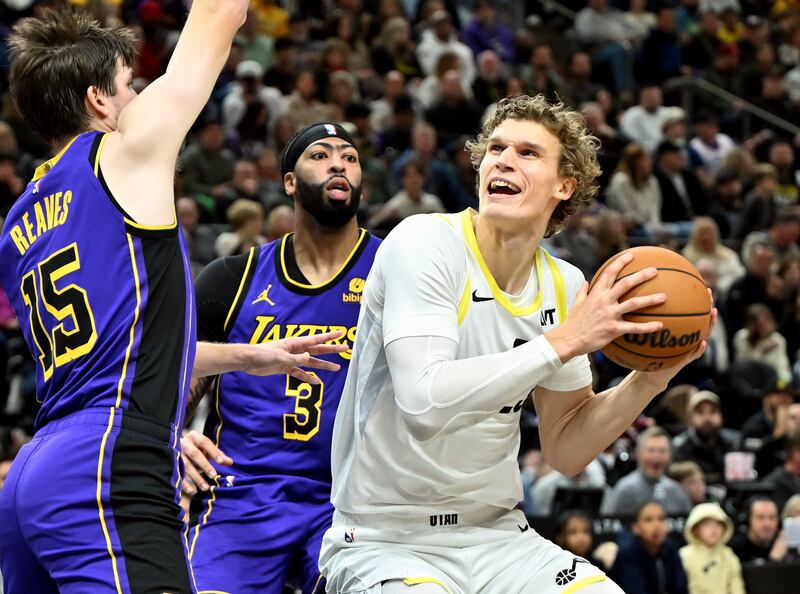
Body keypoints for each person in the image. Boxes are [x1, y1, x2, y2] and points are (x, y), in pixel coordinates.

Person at [0, 9, 342, 594]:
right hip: (107, 464)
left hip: (35, 473)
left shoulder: (15, 224)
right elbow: (217, 13)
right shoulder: (121, 153)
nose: (139, 97)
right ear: (100, 102)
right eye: (131, 85)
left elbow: (120, 344)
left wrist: (250, 358)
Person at [319, 94, 712, 593]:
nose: (503, 159)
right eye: (496, 148)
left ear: (564, 185)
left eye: (528, 153)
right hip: (387, 539)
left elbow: (566, 449)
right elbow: (423, 404)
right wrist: (563, 341)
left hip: (499, 536)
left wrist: (648, 380)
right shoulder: (424, 243)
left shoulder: (565, 285)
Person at [181, 122, 381, 594]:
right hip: (240, 493)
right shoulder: (232, 278)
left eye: (349, 158)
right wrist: (172, 435)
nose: (338, 163)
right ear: (288, 181)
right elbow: (172, 370)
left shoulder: (396, 269)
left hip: (350, 500)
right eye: (321, 155)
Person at [602, 426, 693, 516]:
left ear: (670, 455)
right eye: (651, 450)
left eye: (662, 451)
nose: (656, 457)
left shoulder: (677, 491)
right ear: (638, 454)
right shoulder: (625, 490)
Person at [609, 501, 689, 594]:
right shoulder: (628, 553)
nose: (657, 525)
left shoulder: (671, 548)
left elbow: (681, 587)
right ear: (636, 528)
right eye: (648, 520)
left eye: (661, 519)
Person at [680, 503, 745, 594]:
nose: (713, 529)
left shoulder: (729, 556)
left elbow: (737, 587)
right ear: (695, 529)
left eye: (718, 524)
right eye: (707, 524)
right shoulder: (684, 556)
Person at [730, 496, 781, 563]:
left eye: (772, 517)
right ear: (748, 520)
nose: (767, 523)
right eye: (760, 517)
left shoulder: (784, 546)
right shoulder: (733, 550)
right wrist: (773, 560)